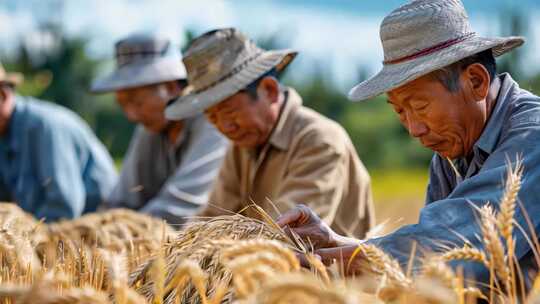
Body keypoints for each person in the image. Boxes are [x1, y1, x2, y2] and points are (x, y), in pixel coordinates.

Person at [277, 0, 540, 287]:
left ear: (476, 82)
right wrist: (332, 242)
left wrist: (324, 264)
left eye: (420, 105)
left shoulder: (532, 136)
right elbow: (434, 269)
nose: (414, 129)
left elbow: (452, 247)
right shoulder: (450, 154)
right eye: (400, 111)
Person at [165, 28, 374, 238]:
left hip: (326, 270)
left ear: (269, 90)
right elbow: (213, 218)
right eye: (212, 117)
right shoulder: (241, 145)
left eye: (230, 112)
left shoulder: (320, 140)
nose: (225, 127)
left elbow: (287, 234)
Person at [91, 34, 227, 225]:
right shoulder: (149, 128)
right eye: (123, 105)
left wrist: (118, 232)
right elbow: (121, 201)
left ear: (171, 87)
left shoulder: (213, 122)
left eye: (137, 102)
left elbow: (180, 207)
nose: (131, 115)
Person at [0, 63, 117, 221]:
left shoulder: (45, 126)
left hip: (100, 230)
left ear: (3, 95)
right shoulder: (5, 134)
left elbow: (63, 208)